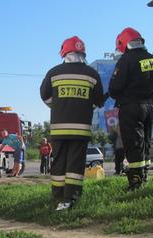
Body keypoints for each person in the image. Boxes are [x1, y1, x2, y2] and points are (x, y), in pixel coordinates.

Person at [40, 36, 105, 211]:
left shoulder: (54, 72)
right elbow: (99, 100)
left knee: (58, 161)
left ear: (64, 52)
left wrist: (58, 105)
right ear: (83, 52)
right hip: (81, 129)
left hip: (58, 129)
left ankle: (57, 195)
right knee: (75, 164)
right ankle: (71, 197)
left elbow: (44, 95)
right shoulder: (92, 74)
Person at [109, 27, 153, 191]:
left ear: (124, 43)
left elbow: (114, 88)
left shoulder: (126, 60)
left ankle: (135, 181)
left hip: (132, 107)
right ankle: (144, 175)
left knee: (133, 142)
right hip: (151, 106)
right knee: (145, 141)